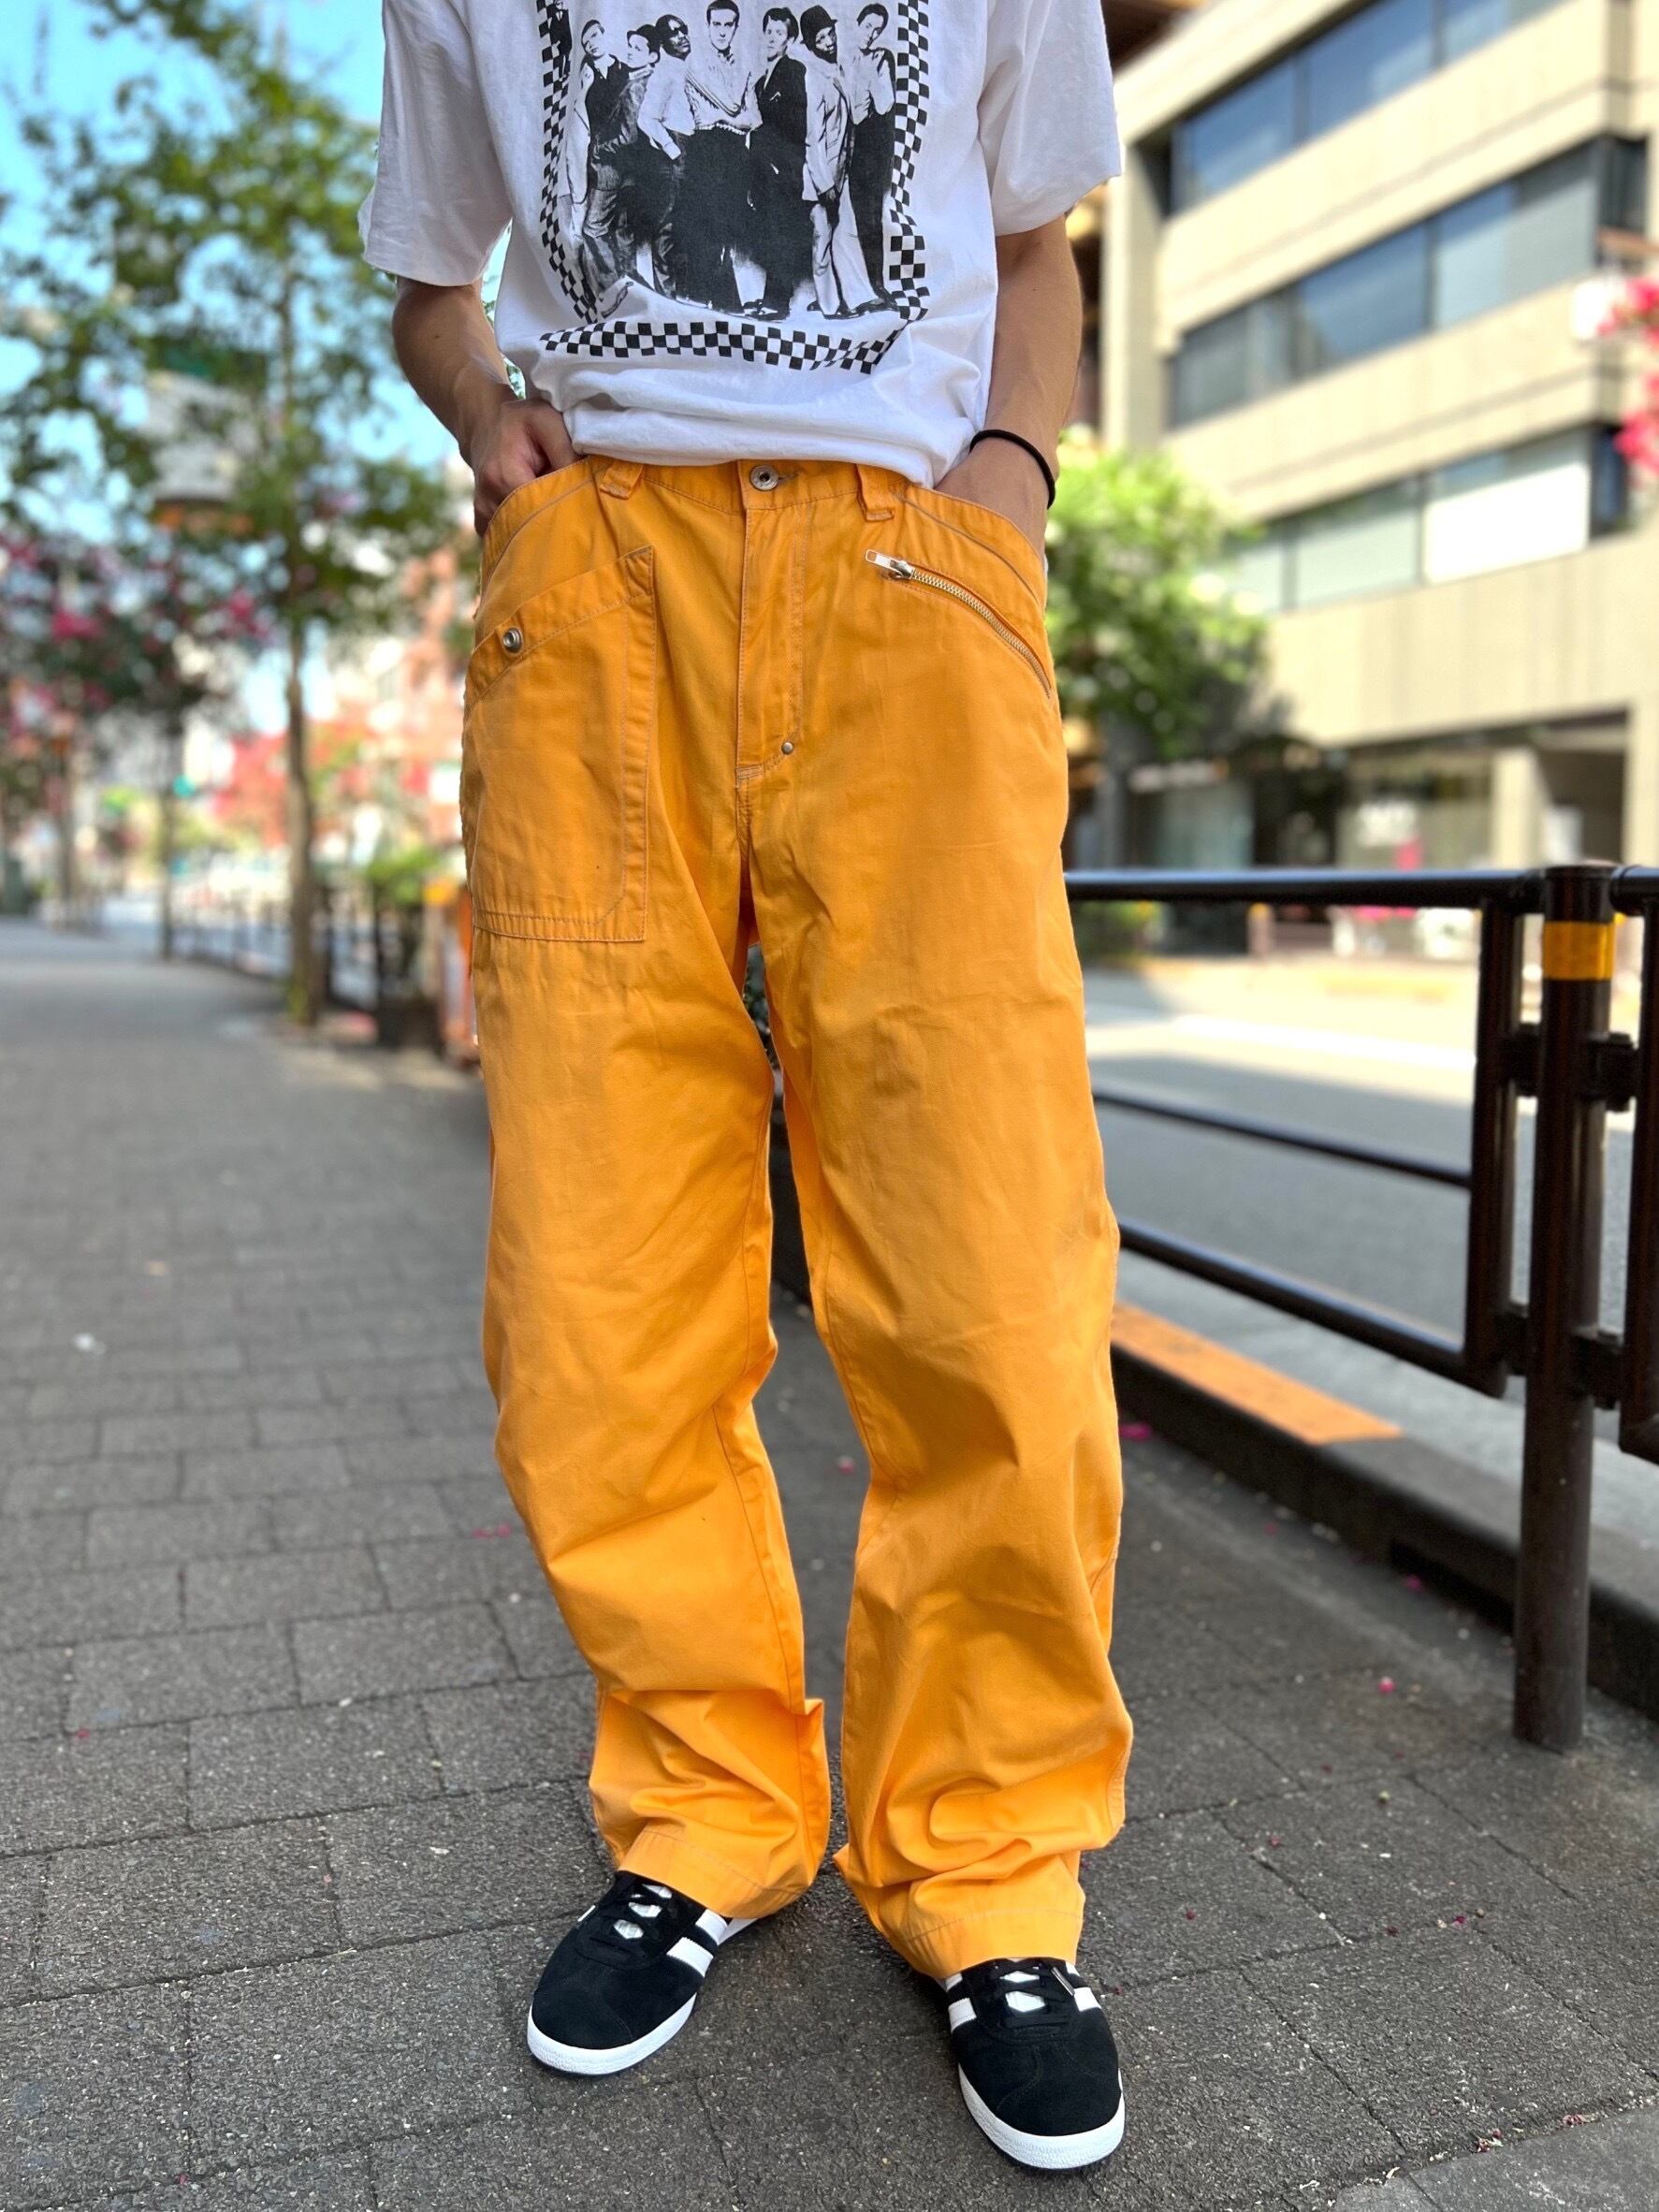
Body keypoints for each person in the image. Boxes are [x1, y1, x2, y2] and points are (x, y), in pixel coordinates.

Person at [365, 0, 1129, 2171]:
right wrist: (492, 429)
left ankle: (986, 1861)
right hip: (600, 594)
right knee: (598, 1302)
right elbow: (431, 283)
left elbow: (1038, 240)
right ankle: (707, 1804)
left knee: (989, 1282)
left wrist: (1010, 482)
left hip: (911, 577)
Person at [748, 7, 810, 318]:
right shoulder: (762, 81)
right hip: (765, 167)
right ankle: (769, 298)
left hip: (785, 168)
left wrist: (762, 136)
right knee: (770, 231)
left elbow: (796, 124)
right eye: (769, 31)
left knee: (781, 232)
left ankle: (777, 303)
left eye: (779, 33)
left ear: (791, 39)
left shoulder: (793, 70)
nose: (772, 38)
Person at [846, 3, 895, 296]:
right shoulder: (841, 56)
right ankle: (836, 293)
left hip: (867, 151)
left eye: (877, 30)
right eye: (867, 27)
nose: (871, 34)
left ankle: (876, 285)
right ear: (857, 23)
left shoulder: (880, 59)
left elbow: (884, 105)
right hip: (837, 147)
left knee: (870, 219)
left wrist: (872, 70)